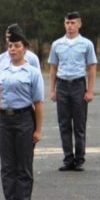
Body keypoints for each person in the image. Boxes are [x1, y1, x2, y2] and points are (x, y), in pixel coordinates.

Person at [0, 30, 45, 200]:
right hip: (4, 119)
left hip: (24, 117)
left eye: (17, 46)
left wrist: (38, 129)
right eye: (10, 46)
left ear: (25, 48)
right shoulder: (1, 70)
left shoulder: (32, 72)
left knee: (23, 165)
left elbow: (39, 103)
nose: (13, 49)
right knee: (7, 166)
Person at [48, 11, 97, 172]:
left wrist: (90, 91)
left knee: (79, 125)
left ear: (79, 24)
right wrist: (52, 90)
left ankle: (79, 159)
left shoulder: (86, 44)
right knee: (64, 124)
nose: (70, 26)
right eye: (67, 23)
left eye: (73, 23)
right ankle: (68, 158)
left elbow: (91, 67)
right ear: (64, 24)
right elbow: (53, 67)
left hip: (78, 85)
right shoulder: (57, 44)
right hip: (62, 85)